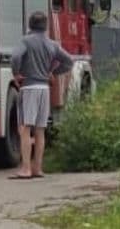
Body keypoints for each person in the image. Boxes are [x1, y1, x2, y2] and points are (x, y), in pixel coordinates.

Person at [8, 11, 74, 179]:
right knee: (40, 130)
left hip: (29, 87)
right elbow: (69, 62)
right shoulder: (52, 44)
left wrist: (16, 73)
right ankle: (38, 168)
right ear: (46, 26)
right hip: (44, 88)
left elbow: (15, 56)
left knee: (24, 129)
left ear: (30, 25)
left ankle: (26, 169)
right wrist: (52, 72)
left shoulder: (26, 41)